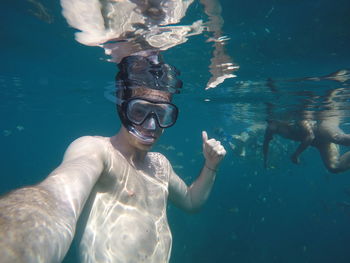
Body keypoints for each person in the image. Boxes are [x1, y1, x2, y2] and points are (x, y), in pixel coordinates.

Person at [0, 54, 226, 263]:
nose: (151, 126)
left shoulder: (160, 165)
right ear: (122, 107)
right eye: (140, 111)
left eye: (161, 115)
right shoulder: (97, 151)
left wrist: (210, 166)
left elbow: (191, 202)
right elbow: (56, 200)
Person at [263, 87, 350, 174]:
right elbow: (265, 143)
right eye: (269, 121)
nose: (270, 123)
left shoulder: (296, 116)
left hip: (320, 128)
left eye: (271, 120)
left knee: (338, 138)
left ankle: (337, 87)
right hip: (318, 143)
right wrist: (265, 160)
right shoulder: (271, 128)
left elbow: (310, 136)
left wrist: (296, 154)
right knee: (334, 167)